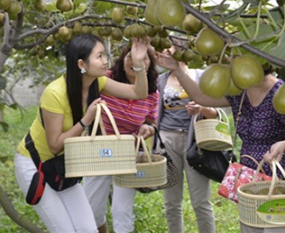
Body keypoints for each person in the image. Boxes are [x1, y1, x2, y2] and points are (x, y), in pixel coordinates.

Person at [157, 50, 285, 233]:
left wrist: (283, 145)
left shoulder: (283, 94)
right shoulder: (240, 92)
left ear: (254, 63)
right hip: (252, 181)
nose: (228, 61)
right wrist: (177, 70)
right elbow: (201, 97)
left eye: (234, 58)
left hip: (283, 181)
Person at [14, 34, 151, 232]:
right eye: (100, 56)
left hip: (63, 165)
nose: (106, 61)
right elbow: (54, 145)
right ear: (81, 63)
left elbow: (139, 93)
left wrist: (138, 64)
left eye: (105, 55)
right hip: (35, 165)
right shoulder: (55, 93)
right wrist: (86, 119)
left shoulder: (98, 82)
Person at [83, 44, 160, 233]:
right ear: (122, 60)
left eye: (143, 59)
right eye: (130, 57)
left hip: (129, 153)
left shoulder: (151, 93)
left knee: (122, 210)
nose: (135, 62)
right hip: (100, 150)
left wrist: (148, 128)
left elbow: (152, 123)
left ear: (149, 65)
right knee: (91, 209)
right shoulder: (105, 80)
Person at [155, 45, 217, 233]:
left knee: (201, 201)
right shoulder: (161, 80)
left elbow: (215, 112)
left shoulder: (200, 76)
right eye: (162, 49)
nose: (164, 52)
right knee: (171, 201)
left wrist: (201, 108)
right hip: (168, 140)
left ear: (181, 50)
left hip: (195, 142)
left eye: (168, 48)